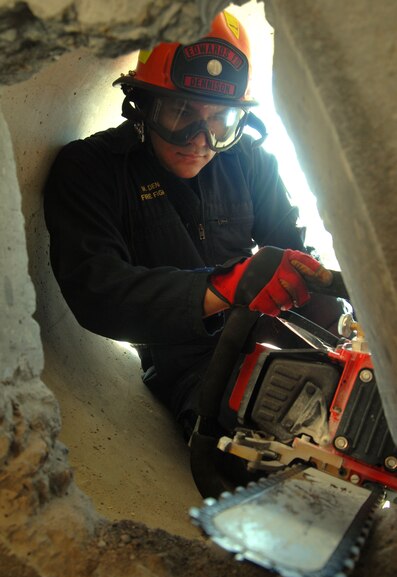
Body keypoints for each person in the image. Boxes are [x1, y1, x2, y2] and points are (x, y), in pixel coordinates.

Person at [44, 11, 342, 439]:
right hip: (188, 365)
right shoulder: (91, 170)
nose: (201, 139)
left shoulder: (251, 161)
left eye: (221, 121)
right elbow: (98, 292)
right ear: (141, 105)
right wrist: (224, 287)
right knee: (259, 437)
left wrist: (347, 338)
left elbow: (296, 260)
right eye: (182, 113)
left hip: (272, 336)